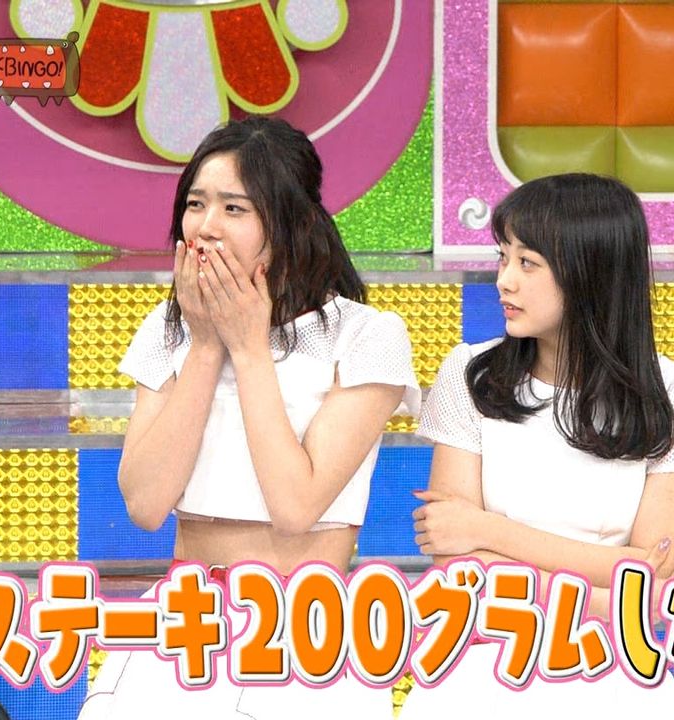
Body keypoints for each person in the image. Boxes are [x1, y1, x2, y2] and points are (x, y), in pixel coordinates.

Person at [79, 116, 417, 719]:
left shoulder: (366, 335)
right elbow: (146, 504)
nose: (206, 226)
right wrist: (207, 346)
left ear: (290, 222)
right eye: (195, 204)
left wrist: (249, 346)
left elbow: (296, 507)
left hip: (304, 627)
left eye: (234, 208)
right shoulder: (170, 326)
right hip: (186, 619)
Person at [399, 173, 674, 719]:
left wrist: (488, 531)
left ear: (591, 271)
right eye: (503, 257)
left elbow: (649, 586)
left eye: (528, 263)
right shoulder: (470, 375)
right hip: (484, 670)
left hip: (612, 677)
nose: (504, 280)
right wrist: (605, 588)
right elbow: (454, 566)